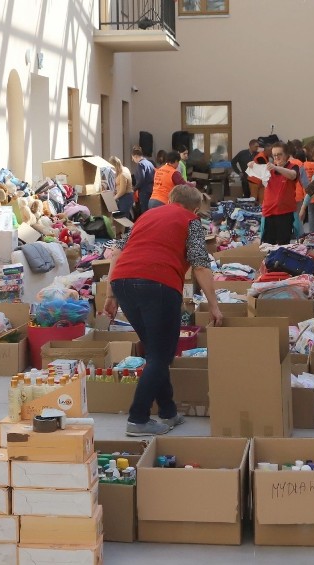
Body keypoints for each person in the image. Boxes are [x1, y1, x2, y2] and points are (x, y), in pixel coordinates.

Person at [104, 185, 224, 436]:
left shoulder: (145, 216)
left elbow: (116, 251)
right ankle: (138, 418)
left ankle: (168, 412)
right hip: (158, 284)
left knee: (155, 351)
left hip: (123, 281)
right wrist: (214, 305)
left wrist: (110, 294)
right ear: (194, 208)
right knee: (161, 355)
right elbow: (200, 265)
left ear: (169, 199)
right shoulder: (191, 221)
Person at [261, 142, 299, 245]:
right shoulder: (268, 169)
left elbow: (292, 175)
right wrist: (251, 165)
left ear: (286, 155)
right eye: (274, 155)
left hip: (284, 213)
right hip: (269, 213)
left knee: (283, 245)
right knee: (267, 245)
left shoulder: (293, 167)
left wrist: (276, 167)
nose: (276, 157)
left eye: (279, 154)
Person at [132, 147, 155, 213]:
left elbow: (141, 179)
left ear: (135, 156)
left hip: (144, 191)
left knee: (144, 211)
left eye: (133, 158)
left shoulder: (140, 164)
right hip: (152, 189)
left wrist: (134, 189)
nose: (133, 160)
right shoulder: (149, 163)